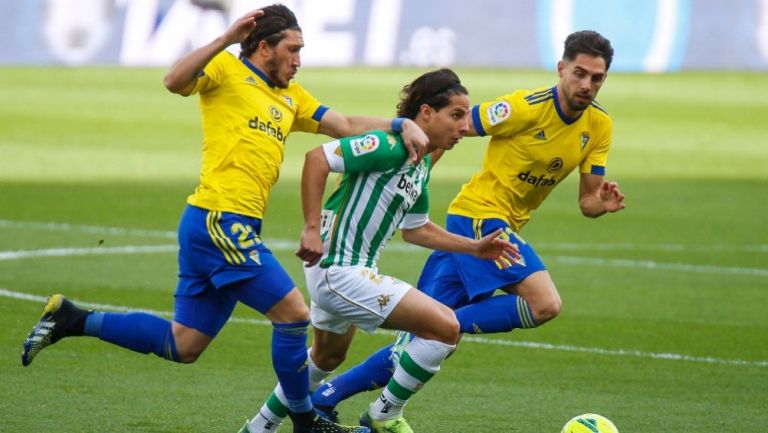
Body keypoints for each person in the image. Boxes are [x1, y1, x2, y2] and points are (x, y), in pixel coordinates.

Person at [19, 5, 430, 433]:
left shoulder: (292, 96)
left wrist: (399, 123)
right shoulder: (226, 71)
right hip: (220, 219)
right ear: (264, 47)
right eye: (292, 49)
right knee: (292, 314)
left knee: (185, 344)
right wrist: (224, 39)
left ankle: (72, 318)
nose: (299, 59)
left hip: (218, 225)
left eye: (302, 50)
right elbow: (173, 80)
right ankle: (306, 421)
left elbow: (343, 124)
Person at [304, 29, 626, 419]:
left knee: (427, 337)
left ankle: (327, 398)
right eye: (579, 73)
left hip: (493, 231)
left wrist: (601, 202)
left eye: (597, 78)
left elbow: (587, 202)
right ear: (561, 68)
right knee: (544, 305)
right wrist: (412, 179)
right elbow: (448, 130)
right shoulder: (524, 107)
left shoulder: (600, 126)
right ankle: (386, 408)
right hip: (478, 218)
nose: (587, 84)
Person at [239, 68, 520, 433]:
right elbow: (317, 159)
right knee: (445, 328)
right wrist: (311, 228)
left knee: (327, 357)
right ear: (425, 113)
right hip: (340, 270)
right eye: (456, 115)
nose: (464, 128)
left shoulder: (420, 168)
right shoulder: (390, 146)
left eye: (466, 117)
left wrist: (474, 248)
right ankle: (385, 413)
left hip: (343, 272)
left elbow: (416, 230)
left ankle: (258, 428)